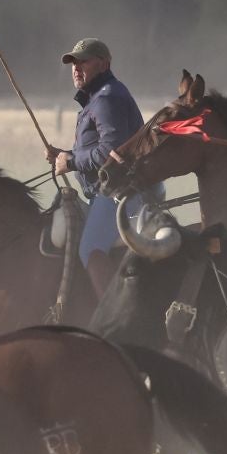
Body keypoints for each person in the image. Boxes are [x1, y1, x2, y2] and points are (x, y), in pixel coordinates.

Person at [50, 38, 144, 298]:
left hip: (118, 190)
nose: (76, 68)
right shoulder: (100, 97)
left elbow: (111, 152)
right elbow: (98, 148)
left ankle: (111, 316)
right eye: (73, 63)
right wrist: (65, 154)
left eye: (84, 61)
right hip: (109, 190)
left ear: (103, 64)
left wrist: (69, 162)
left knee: (89, 248)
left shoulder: (107, 98)